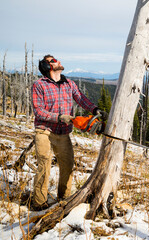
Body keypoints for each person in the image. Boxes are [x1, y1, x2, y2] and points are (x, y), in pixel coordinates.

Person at [31, 54, 106, 211]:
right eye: (53, 60)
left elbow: (81, 98)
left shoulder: (69, 83)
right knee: (44, 165)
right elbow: (38, 111)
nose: (58, 61)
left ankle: (64, 199)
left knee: (68, 165)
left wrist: (95, 109)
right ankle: (38, 203)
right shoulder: (39, 85)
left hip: (63, 132)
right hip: (44, 131)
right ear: (47, 66)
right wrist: (58, 117)